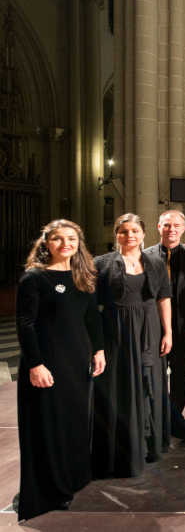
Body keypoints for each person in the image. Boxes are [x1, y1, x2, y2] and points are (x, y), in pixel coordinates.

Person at [15, 220, 105, 521]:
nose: (65, 244)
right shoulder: (34, 278)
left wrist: (99, 349)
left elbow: (92, 317)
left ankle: (72, 480)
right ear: (46, 243)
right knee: (47, 427)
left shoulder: (84, 275)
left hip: (76, 362)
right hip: (47, 363)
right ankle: (48, 492)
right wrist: (35, 364)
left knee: (74, 422)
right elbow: (26, 325)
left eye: (71, 238)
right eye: (58, 239)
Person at [93, 213, 172, 477]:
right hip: (115, 330)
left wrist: (168, 332)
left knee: (148, 383)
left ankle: (149, 443)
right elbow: (91, 307)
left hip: (148, 328)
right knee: (118, 386)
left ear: (143, 234)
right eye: (124, 231)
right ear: (116, 234)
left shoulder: (156, 262)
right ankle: (121, 447)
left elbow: (164, 298)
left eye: (135, 231)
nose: (130, 236)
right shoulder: (101, 264)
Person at [143, 210, 185, 437]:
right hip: (154, 326)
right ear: (158, 227)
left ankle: (176, 417)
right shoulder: (145, 255)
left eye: (176, 225)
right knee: (156, 374)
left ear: (183, 228)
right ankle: (157, 417)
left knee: (180, 374)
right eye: (167, 225)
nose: (172, 229)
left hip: (183, 326)